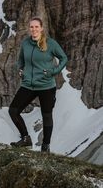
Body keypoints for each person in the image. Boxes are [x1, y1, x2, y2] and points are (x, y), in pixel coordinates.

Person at [9, 16, 68, 152]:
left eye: (36, 27)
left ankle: (45, 146)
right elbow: (20, 60)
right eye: (31, 27)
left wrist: (54, 71)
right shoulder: (25, 43)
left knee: (46, 116)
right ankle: (25, 138)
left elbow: (64, 58)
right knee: (13, 110)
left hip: (46, 86)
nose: (34, 29)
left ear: (41, 28)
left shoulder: (51, 43)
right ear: (29, 28)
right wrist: (21, 69)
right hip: (28, 85)